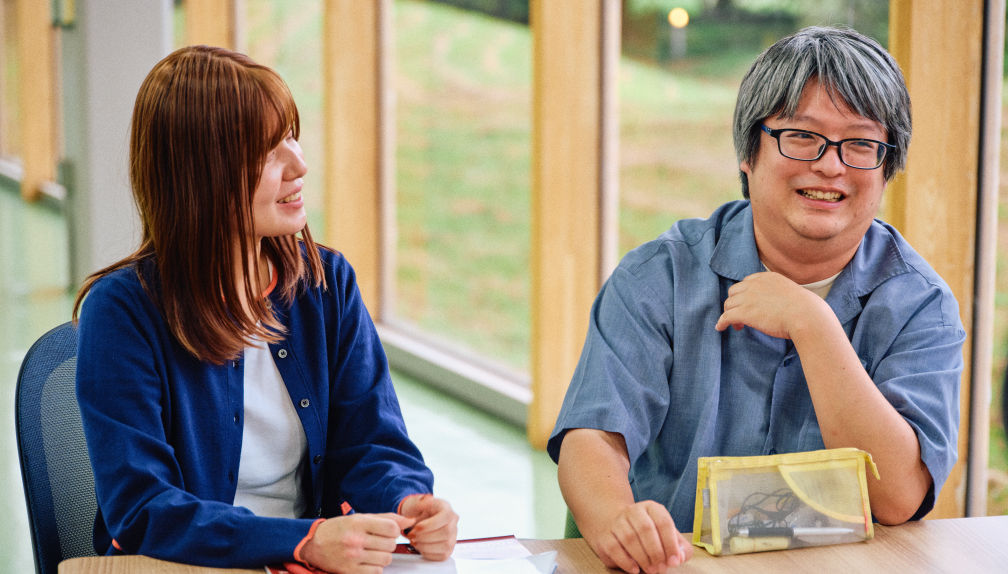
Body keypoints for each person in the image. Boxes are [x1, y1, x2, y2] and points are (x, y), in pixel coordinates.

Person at [548, 26, 965, 574]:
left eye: (861, 143)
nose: (831, 165)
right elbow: (593, 437)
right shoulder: (659, 277)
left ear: (887, 167)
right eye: (802, 136)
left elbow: (899, 496)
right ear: (749, 152)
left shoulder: (922, 306)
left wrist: (813, 325)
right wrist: (619, 521)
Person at [74, 46, 458, 573]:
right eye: (267, 151)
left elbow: (373, 442)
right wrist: (303, 541)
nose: (299, 164)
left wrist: (406, 501)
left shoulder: (326, 283)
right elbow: (143, 511)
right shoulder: (121, 313)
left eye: (291, 137)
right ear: (201, 174)